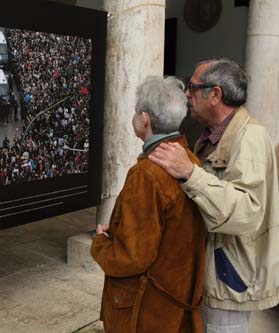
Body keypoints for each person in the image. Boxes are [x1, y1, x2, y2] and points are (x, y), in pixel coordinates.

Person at [149, 58, 279, 333]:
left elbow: (247, 212)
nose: (187, 94)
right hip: (207, 270)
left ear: (215, 95)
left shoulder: (250, 138)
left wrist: (190, 173)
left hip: (228, 276)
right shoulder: (209, 137)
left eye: (193, 87)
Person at [91, 76, 206, 332]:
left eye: (135, 112)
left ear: (144, 120)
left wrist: (100, 244)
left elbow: (132, 257)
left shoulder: (147, 174)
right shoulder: (188, 160)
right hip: (175, 300)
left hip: (147, 309)